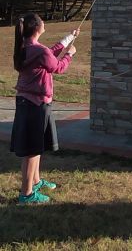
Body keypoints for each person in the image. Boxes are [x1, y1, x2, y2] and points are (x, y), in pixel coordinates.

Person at [10, 12, 79, 204]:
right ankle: (26, 194)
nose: (43, 21)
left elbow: (49, 53)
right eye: (41, 20)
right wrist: (70, 54)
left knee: (35, 147)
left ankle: (36, 181)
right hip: (35, 104)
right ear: (37, 27)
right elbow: (57, 66)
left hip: (28, 102)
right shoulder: (38, 51)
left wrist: (68, 38)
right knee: (32, 150)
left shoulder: (27, 47)